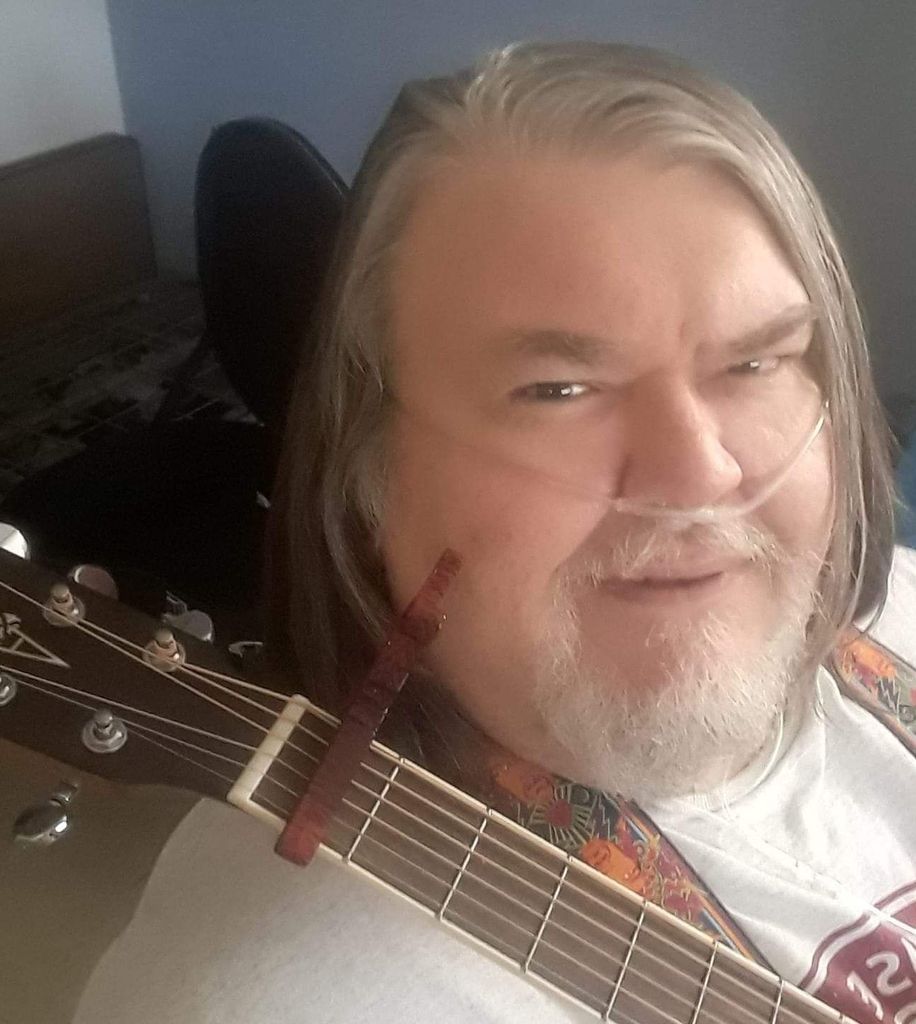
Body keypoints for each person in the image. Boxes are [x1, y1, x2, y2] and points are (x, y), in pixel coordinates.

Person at [75, 41, 915, 1024]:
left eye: (757, 363)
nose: (700, 475)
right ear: (368, 475)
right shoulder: (285, 1000)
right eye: (557, 390)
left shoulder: (897, 606)